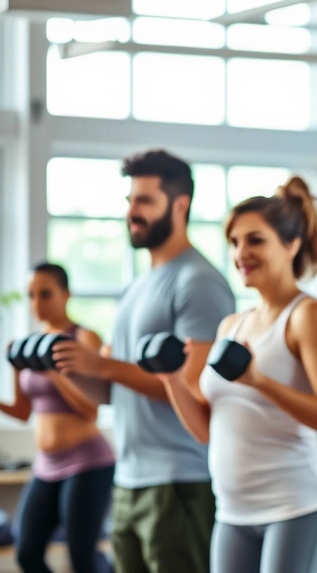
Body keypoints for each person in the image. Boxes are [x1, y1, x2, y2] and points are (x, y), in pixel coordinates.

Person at [158, 176, 317, 573]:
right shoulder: (232, 325)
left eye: (255, 240)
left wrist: (259, 380)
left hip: (298, 505)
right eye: (234, 242)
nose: (241, 252)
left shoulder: (307, 316)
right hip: (233, 511)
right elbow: (209, 430)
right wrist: (171, 379)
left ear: (291, 244)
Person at [53, 149, 235, 573]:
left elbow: (192, 388)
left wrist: (103, 366)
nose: (132, 212)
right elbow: (110, 392)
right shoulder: (136, 287)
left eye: (144, 201)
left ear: (180, 205)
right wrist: (70, 367)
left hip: (179, 481)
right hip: (128, 479)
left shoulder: (199, 283)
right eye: (130, 201)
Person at [0, 263, 114, 573]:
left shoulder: (84, 338)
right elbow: (22, 412)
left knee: (82, 560)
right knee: (27, 553)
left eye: (45, 294)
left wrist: (51, 372)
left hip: (88, 464)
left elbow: (91, 408)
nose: (37, 304)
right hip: (46, 465)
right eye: (31, 295)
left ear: (66, 294)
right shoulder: (27, 346)